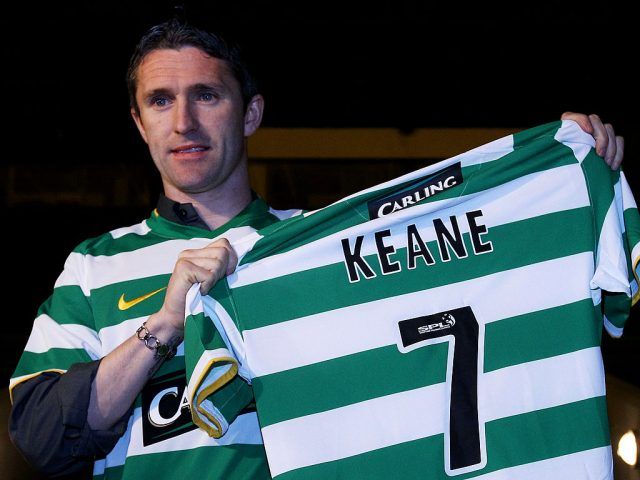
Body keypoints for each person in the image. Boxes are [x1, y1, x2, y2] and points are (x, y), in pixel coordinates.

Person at [8, 18, 624, 479]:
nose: (184, 122)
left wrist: (561, 181)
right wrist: (165, 325)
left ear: (250, 114)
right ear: (139, 122)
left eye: (207, 95)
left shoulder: (325, 250)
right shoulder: (93, 266)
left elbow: (497, 302)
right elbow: (39, 436)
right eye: (160, 101)